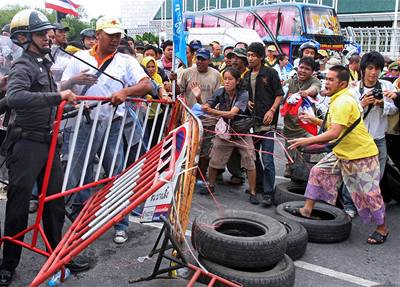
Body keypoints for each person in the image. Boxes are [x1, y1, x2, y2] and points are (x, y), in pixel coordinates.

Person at [0, 9, 85, 286]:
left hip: (48, 144)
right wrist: (58, 96)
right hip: (26, 145)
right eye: (41, 33)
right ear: (24, 38)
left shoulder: (41, 64)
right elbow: (16, 97)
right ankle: (8, 265)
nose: (49, 37)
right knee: (18, 207)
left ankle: (57, 256)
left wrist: (65, 88)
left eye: (48, 32)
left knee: (54, 204)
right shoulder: (23, 65)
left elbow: (34, 94)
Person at [61, 16, 152, 244]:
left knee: (116, 175)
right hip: (83, 124)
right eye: (110, 34)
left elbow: (147, 84)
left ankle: (120, 223)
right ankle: (84, 220)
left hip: (113, 125)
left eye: (118, 35)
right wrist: (75, 79)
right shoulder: (79, 58)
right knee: (79, 175)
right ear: (98, 34)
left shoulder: (125, 61)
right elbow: (60, 87)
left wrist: (126, 92)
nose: (115, 39)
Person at [287, 65, 389, 245]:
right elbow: (336, 126)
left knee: (371, 194)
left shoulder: (343, 101)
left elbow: (334, 133)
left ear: (342, 84)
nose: (326, 83)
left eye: (331, 80)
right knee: (318, 172)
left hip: (361, 154)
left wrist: (306, 141)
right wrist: (314, 120)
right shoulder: (339, 97)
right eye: (326, 79)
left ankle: (382, 228)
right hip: (342, 152)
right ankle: (307, 210)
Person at [193, 67, 257, 201]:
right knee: (214, 159)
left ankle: (252, 192)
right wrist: (199, 98)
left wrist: (212, 111)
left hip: (242, 133)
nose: (227, 82)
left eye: (230, 79)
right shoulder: (220, 92)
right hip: (224, 132)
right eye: (225, 79)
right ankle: (210, 185)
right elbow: (206, 107)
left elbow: (231, 114)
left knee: (250, 160)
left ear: (238, 81)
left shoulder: (243, 94)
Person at [246, 42, 284, 205]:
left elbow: (279, 94)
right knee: (253, 157)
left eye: (253, 55)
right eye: (248, 55)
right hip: (252, 123)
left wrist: (272, 110)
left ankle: (269, 192)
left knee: (267, 158)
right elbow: (244, 94)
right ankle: (259, 185)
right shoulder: (247, 76)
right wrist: (247, 101)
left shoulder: (271, 73)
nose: (250, 58)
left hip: (267, 124)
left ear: (261, 57)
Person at [178, 48, 221, 179]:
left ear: (209, 60)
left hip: (208, 119)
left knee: (205, 150)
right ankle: (187, 175)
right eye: (198, 59)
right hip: (190, 118)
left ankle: (201, 176)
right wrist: (173, 82)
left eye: (203, 59)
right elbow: (180, 91)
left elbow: (219, 96)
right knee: (189, 147)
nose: (200, 62)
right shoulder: (187, 72)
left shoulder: (216, 75)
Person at [283, 57, 321, 178]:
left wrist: (306, 93)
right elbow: (281, 95)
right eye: (301, 67)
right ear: (297, 67)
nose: (303, 71)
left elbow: (315, 89)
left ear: (312, 72)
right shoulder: (290, 81)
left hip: (307, 127)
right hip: (290, 126)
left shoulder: (315, 81)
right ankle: (290, 165)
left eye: (307, 69)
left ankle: (309, 171)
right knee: (289, 153)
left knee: (312, 151)